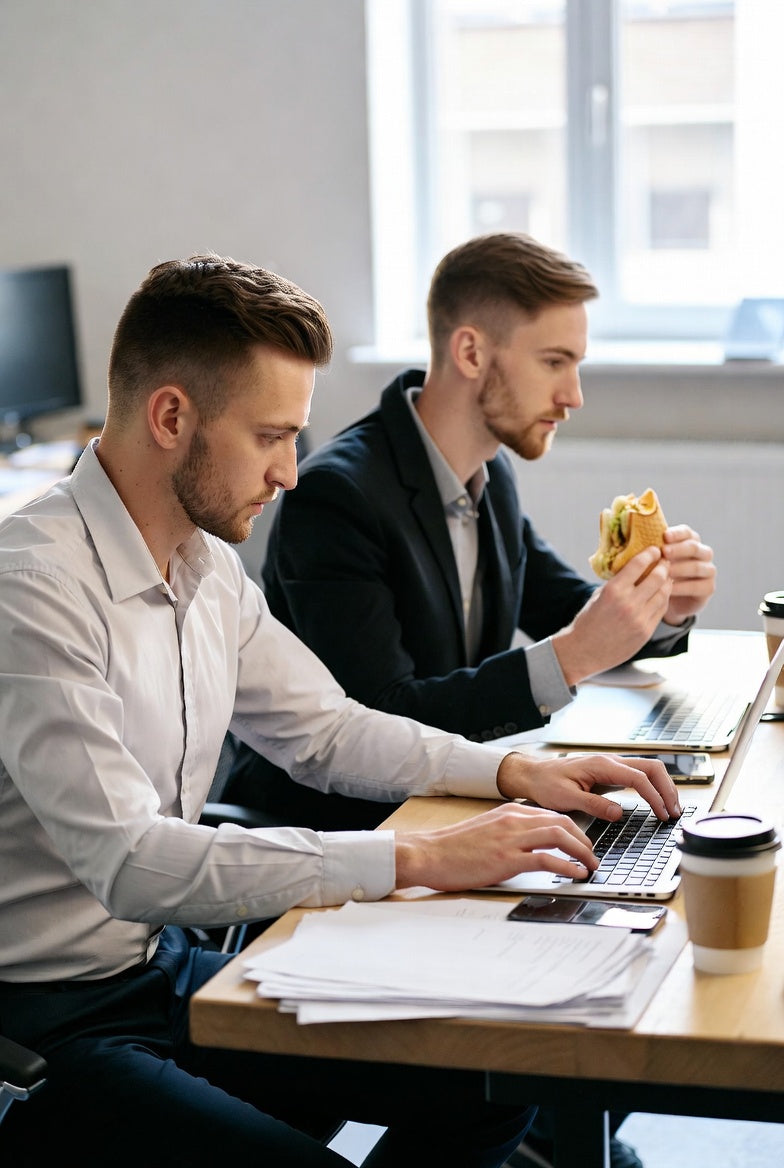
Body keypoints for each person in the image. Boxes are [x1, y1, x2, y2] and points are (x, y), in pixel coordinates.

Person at [0, 253, 683, 1168]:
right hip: (51, 1020)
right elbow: (130, 862)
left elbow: (325, 730)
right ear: (171, 416)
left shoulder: (207, 570)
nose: (290, 472)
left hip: (163, 971)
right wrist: (419, 857)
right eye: (271, 436)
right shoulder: (33, 587)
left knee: (486, 1081)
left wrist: (510, 770)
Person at [225, 232, 717, 1168]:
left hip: (463, 801)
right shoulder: (338, 496)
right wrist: (572, 657)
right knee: (566, 1020)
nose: (573, 394)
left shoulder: (484, 480)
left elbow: (569, 610)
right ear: (471, 353)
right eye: (557, 362)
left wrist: (661, 610)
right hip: (356, 831)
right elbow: (377, 717)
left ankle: (560, 1138)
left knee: (622, 948)